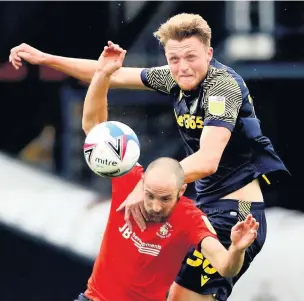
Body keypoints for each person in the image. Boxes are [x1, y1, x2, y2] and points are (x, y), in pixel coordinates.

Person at [9, 13, 290, 301]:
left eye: (191, 57)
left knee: (182, 297)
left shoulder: (222, 87)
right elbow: (110, 72)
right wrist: (45, 58)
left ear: (209, 54)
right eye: (174, 59)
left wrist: (145, 186)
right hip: (205, 203)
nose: (182, 68)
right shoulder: (177, 76)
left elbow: (208, 160)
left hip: (235, 212)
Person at [74, 45, 259, 301]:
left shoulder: (190, 218)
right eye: (150, 195)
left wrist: (237, 249)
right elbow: (93, 127)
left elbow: (225, 266)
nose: (155, 206)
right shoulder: (128, 179)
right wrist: (103, 74)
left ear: (182, 190)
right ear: (143, 183)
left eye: (165, 199)